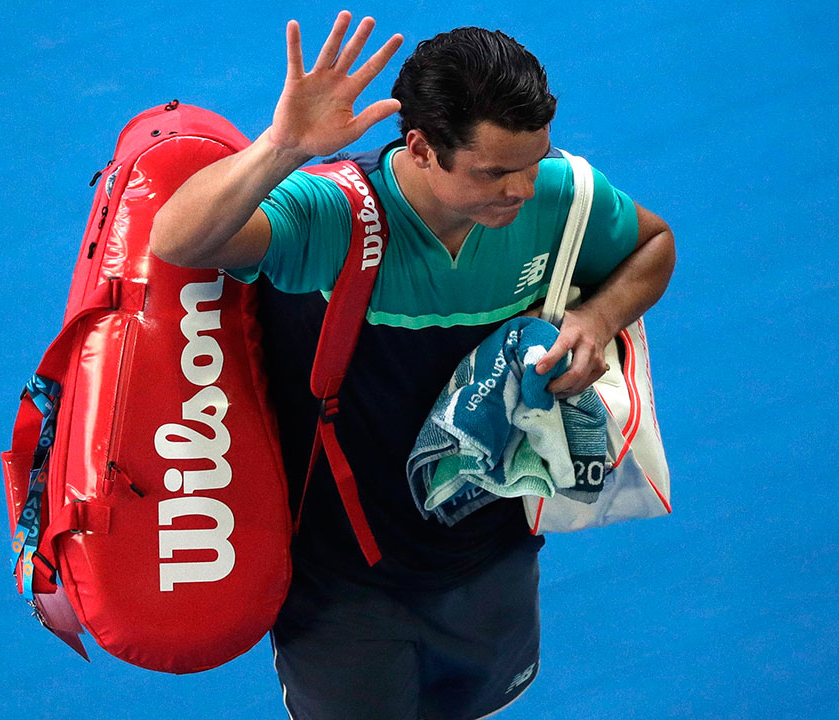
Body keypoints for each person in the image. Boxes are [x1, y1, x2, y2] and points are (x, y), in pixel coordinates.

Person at [151, 10, 675, 720]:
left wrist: (596, 318)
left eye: (533, 161)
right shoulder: (332, 217)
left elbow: (653, 245)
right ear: (423, 149)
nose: (522, 191)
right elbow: (181, 240)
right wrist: (281, 148)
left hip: (493, 552)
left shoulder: (557, 196)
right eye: (495, 172)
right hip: (342, 586)